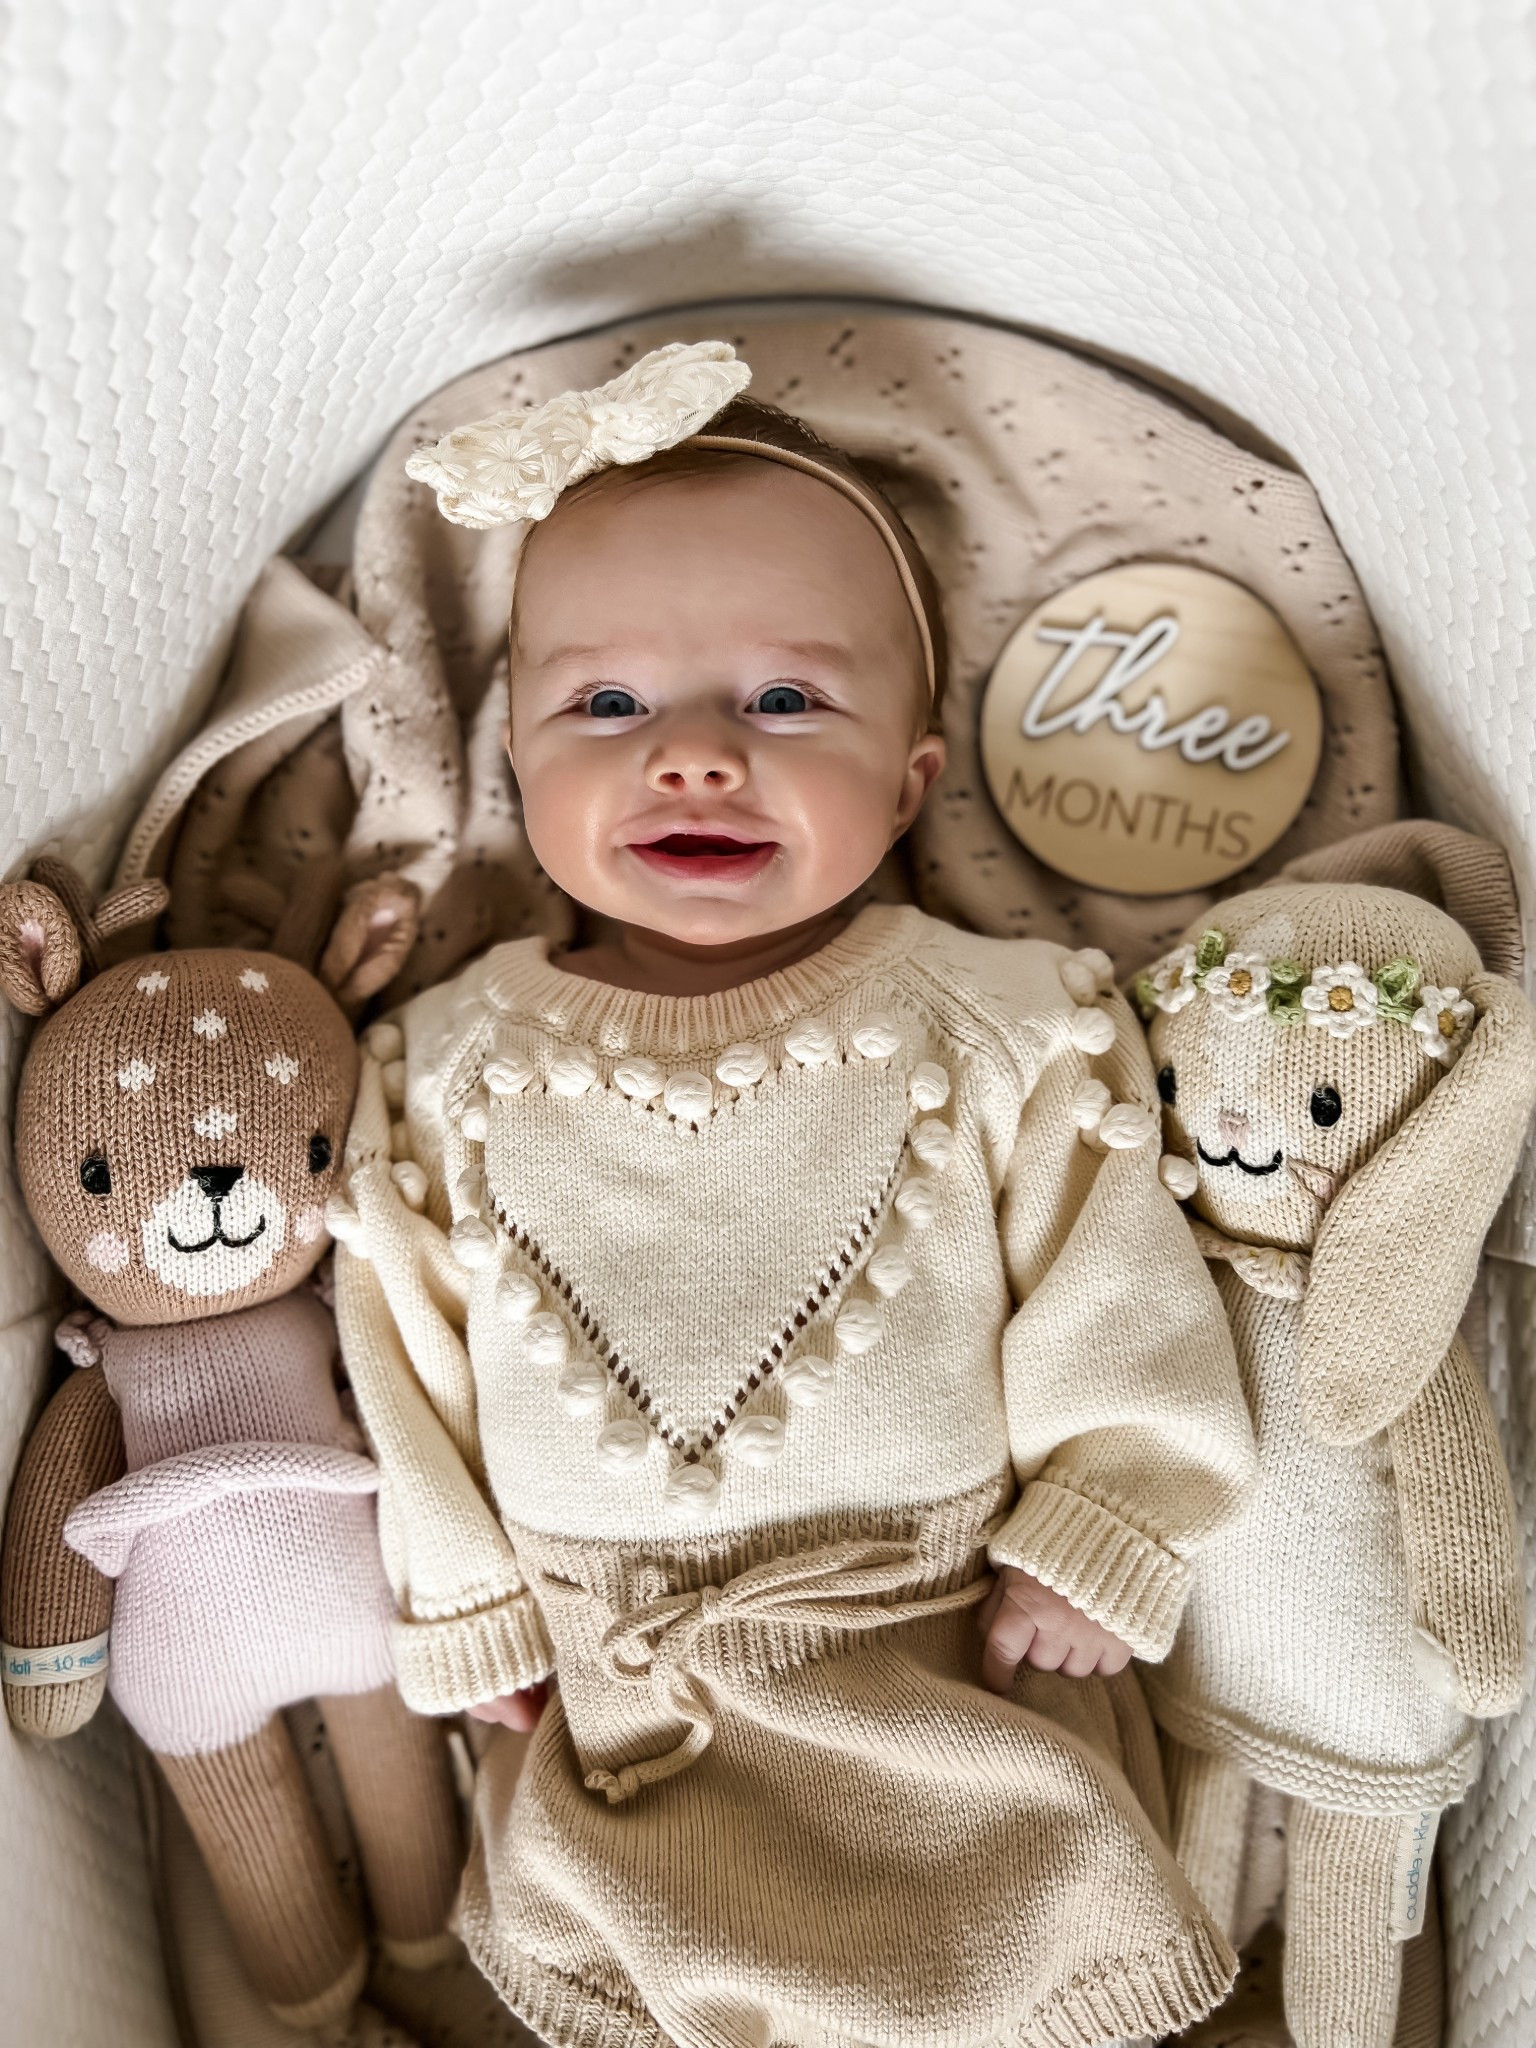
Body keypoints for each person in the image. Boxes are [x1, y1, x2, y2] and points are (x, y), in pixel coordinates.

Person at [333, 341, 1257, 2048]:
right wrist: (464, 1601)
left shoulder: (1000, 1019)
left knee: (1026, 1924)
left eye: (782, 702)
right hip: (620, 1687)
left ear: (909, 785)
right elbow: (406, 1343)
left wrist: (1107, 1517)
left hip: (941, 1637)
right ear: (517, 772)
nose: (689, 756)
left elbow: (1114, 1271)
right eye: (605, 707)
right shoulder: (443, 1063)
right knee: (617, 1948)